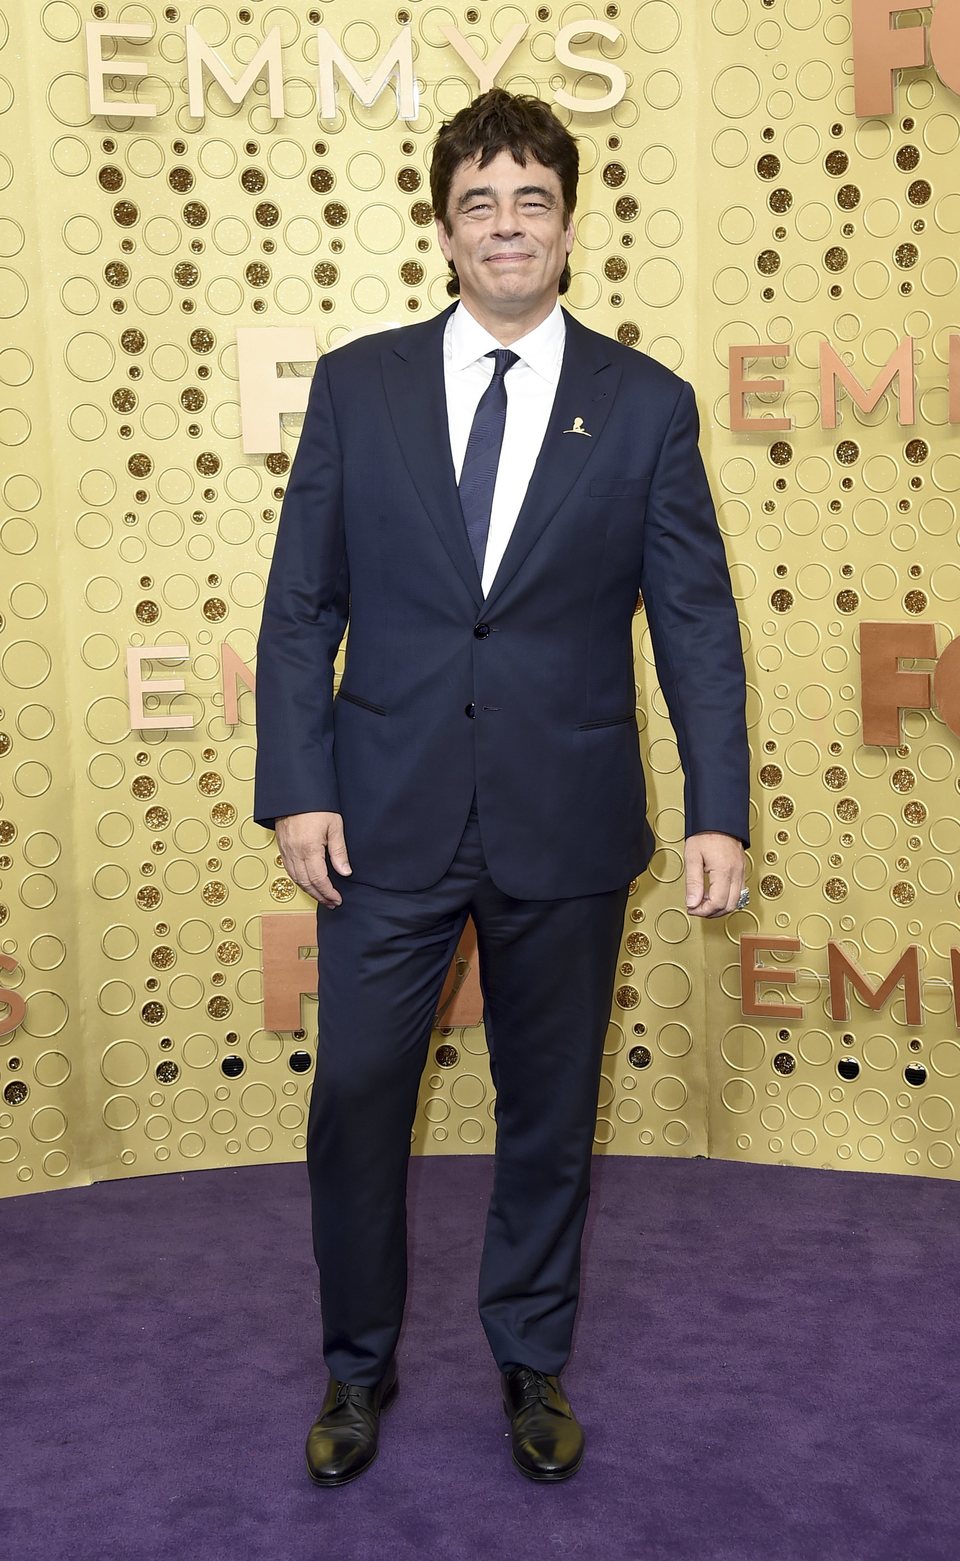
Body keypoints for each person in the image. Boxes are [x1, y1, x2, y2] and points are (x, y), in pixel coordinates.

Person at [253, 88, 750, 1487]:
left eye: (532, 198)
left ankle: (532, 1355)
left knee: (549, 1103)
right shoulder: (360, 385)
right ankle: (357, 1365)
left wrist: (718, 807)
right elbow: (303, 607)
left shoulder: (647, 406)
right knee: (357, 1090)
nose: (508, 224)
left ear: (571, 224)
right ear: (445, 229)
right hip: (383, 812)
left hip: (569, 818)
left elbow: (694, 620)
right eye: (481, 202)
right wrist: (300, 787)